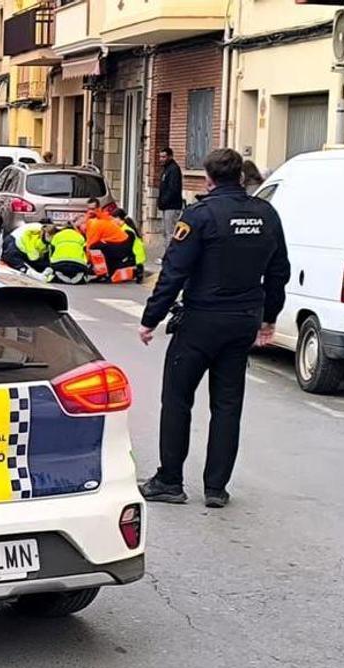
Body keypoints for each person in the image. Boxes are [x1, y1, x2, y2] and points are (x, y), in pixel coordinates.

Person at [137, 148, 291, 509]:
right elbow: (279, 271)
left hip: (201, 321)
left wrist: (150, 319)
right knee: (227, 404)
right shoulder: (266, 214)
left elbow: (174, 272)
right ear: (241, 176)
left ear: (208, 178)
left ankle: (170, 481)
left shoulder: (200, 216)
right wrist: (269, 318)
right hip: (243, 322)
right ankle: (216, 488)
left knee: (177, 399)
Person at [81, 198, 135, 276]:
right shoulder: (97, 218)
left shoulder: (95, 224)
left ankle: (101, 272)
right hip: (120, 243)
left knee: (94, 247)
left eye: (92, 209)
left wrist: (86, 264)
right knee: (99, 247)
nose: (90, 211)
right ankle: (107, 271)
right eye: (88, 209)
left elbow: (91, 244)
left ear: (98, 208)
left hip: (121, 245)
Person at [157, 147, 184, 262]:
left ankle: (170, 258)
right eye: (160, 156)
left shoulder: (174, 170)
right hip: (166, 206)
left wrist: (164, 201)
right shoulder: (166, 169)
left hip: (172, 207)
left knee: (170, 233)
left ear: (170, 156)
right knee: (165, 232)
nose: (161, 159)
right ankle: (166, 256)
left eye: (164, 157)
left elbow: (173, 189)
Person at [113, 208, 148, 282]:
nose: (113, 221)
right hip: (134, 257)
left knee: (115, 269)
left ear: (118, 218)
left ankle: (135, 272)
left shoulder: (127, 231)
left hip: (134, 258)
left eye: (114, 219)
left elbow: (125, 248)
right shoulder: (123, 228)